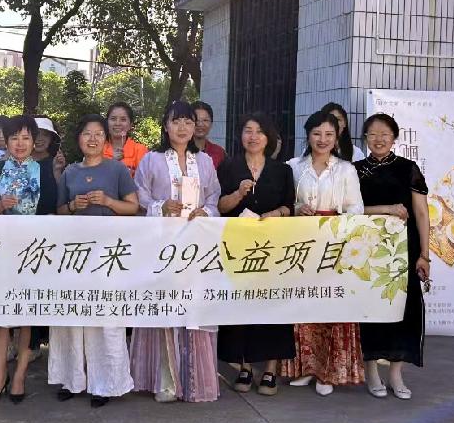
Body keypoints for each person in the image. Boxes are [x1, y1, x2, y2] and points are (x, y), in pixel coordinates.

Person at [129, 101, 221, 403]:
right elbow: (139, 195)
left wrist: (206, 211)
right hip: (161, 245)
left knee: (193, 309)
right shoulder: (151, 159)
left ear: (195, 128)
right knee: (165, 307)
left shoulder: (204, 161)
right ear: (165, 126)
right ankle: (165, 380)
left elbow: (214, 195)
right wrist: (160, 206)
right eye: (176, 121)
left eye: (188, 122)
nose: (182, 128)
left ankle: (193, 380)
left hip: (195, 246)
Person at [51, 113, 139, 408]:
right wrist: (73, 206)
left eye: (98, 134)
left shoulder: (117, 169)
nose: (93, 139)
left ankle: (106, 383)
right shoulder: (70, 172)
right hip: (75, 255)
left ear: (106, 139)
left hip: (107, 255)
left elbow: (133, 207)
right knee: (73, 315)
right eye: (87, 133)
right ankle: (71, 379)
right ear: (79, 139)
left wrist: (109, 202)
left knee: (105, 318)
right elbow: (59, 212)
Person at [280, 111, 365, 396]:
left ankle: (327, 373)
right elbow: (284, 202)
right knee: (304, 305)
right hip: (301, 245)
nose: (322, 139)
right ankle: (305, 368)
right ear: (308, 135)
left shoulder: (346, 170)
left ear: (337, 137)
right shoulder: (293, 167)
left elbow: (357, 208)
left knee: (330, 306)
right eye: (317, 133)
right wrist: (296, 209)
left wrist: (337, 220)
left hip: (333, 245)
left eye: (329, 134)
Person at [0, 115, 55, 404]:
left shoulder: (43, 171)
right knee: (1, 318)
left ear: (34, 141)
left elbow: (51, 212)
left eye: (26, 138)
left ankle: (19, 375)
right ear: (6, 141)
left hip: (32, 253)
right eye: (14, 138)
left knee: (26, 317)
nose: (20, 143)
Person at [216, 112, 295, 397]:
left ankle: (271, 368)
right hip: (238, 247)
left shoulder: (282, 170)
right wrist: (238, 194)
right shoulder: (229, 166)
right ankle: (245, 366)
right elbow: (219, 207)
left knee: (272, 304)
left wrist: (277, 213)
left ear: (268, 137)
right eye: (248, 130)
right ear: (240, 135)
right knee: (241, 307)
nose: (253, 136)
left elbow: (291, 207)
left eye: (259, 131)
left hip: (273, 247)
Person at [356, 113, 430, 400]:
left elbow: (421, 213)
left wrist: (424, 255)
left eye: (385, 134)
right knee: (368, 310)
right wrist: (385, 209)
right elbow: (348, 211)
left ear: (394, 138)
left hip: (403, 254)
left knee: (404, 311)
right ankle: (371, 370)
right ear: (365, 138)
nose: (379, 139)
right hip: (366, 254)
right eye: (373, 134)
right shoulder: (354, 170)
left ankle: (396, 374)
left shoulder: (408, 168)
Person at [102, 102, 148, 177]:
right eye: (113, 119)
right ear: (107, 123)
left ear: (130, 125)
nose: (117, 123)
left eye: (123, 120)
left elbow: (145, 180)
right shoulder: (98, 149)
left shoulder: (140, 150)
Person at [192, 101, 226, 169]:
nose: (200, 124)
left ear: (211, 123)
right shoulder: (180, 151)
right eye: (196, 120)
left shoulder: (219, 153)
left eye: (205, 120)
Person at [32, 115, 67, 181]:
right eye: (36, 134)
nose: (39, 138)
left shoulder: (57, 163)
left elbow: (63, 187)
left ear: (52, 138)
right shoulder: (18, 161)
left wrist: (57, 171)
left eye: (45, 135)